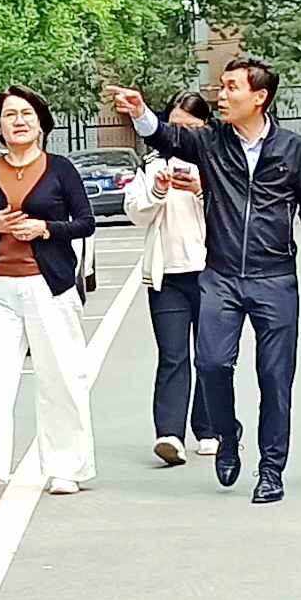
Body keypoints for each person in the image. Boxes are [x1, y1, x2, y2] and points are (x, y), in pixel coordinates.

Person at [103, 62, 301, 504]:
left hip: (275, 278)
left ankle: (271, 469)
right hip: (221, 275)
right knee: (210, 365)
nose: (220, 95)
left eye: (231, 88)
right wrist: (139, 111)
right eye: (221, 87)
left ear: (259, 97)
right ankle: (227, 434)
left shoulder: (293, 149)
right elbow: (167, 137)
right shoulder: (210, 143)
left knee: (275, 377)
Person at [0, 87, 99, 501]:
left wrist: (46, 229)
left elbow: (86, 222)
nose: (18, 120)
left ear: (40, 122)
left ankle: (65, 466)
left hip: (48, 285)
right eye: (9, 115)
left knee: (60, 377)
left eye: (26, 113)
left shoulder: (60, 168)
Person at [119, 91, 213, 466]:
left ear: (205, 128)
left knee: (211, 357)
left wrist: (202, 190)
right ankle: (169, 433)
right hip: (168, 274)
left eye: (191, 128)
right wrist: (157, 192)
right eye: (175, 127)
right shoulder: (154, 163)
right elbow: (135, 212)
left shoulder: (216, 161)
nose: (182, 134)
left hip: (212, 273)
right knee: (173, 355)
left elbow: (236, 211)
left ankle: (210, 429)